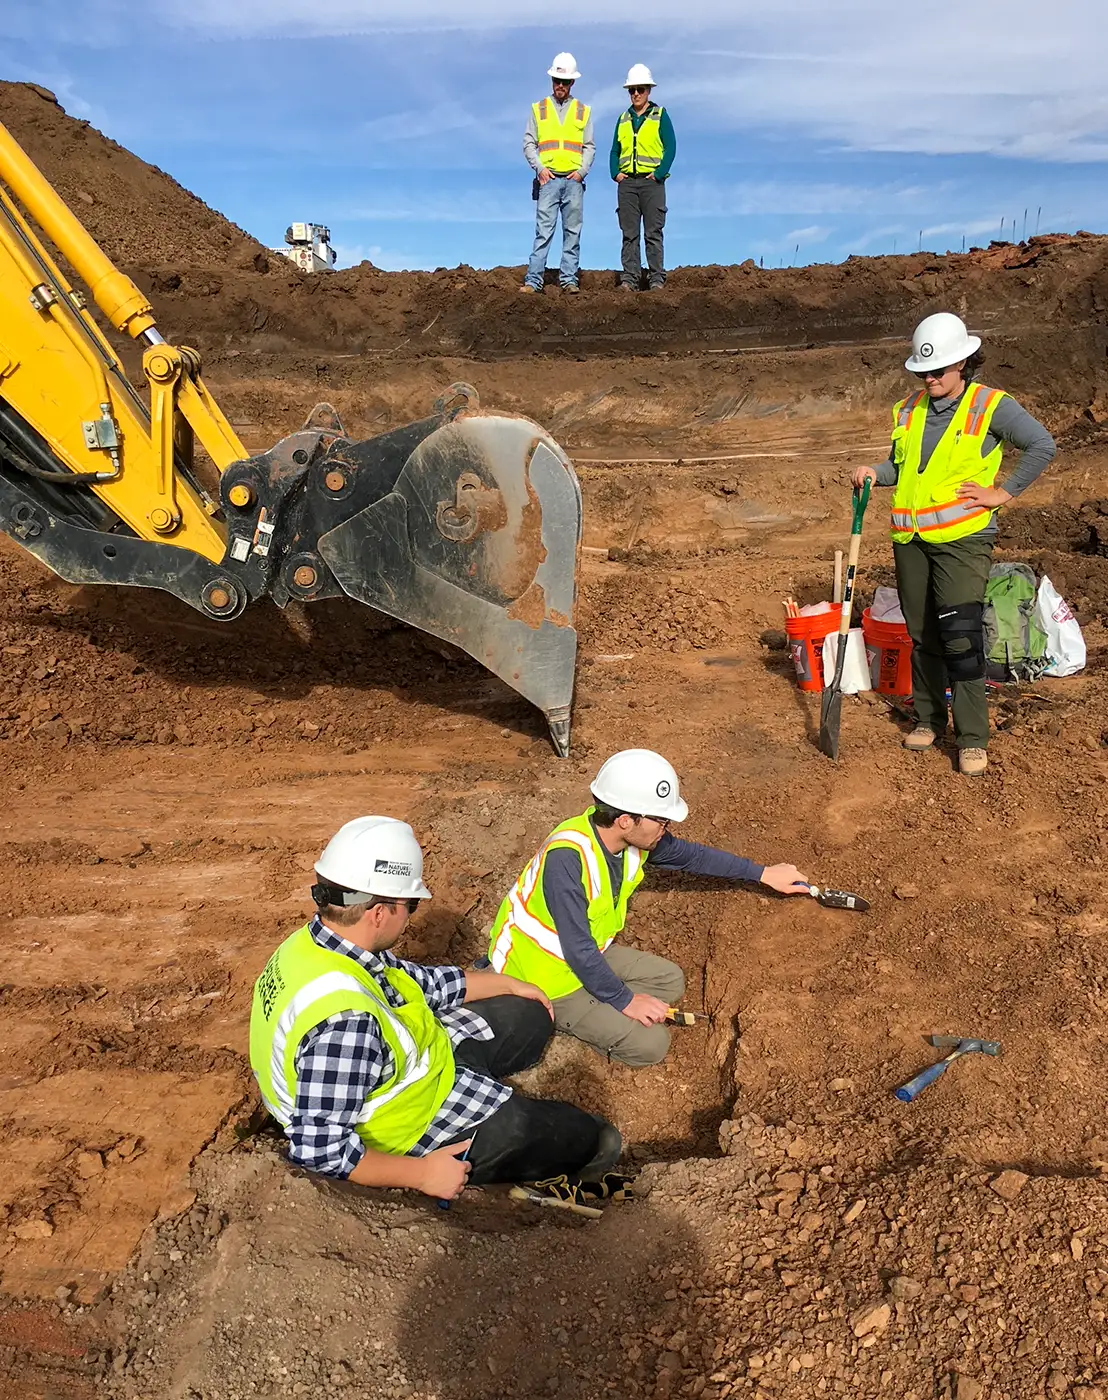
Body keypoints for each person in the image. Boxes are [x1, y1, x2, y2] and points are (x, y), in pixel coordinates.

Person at [249, 816, 621, 1204]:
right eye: (410, 905)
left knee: (527, 1013)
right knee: (584, 1136)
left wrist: (508, 983)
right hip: (408, 1122)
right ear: (379, 912)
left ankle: (485, 1074)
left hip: (418, 1061)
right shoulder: (346, 1024)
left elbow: (417, 982)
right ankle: (514, 1139)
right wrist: (423, 1174)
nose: (411, 916)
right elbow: (319, 1151)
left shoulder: (319, 945)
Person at [485, 750, 809, 1067]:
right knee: (652, 1045)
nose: (666, 827)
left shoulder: (631, 840)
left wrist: (763, 873)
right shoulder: (567, 860)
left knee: (670, 981)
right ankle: (554, 1013)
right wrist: (626, 1001)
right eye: (661, 819)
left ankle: (601, 999)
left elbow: (693, 857)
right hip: (544, 976)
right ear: (626, 820)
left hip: (587, 954)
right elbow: (579, 950)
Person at [852, 312, 1056, 777]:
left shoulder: (991, 406)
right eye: (923, 371)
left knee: (961, 639)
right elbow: (902, 470)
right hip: (911, 538)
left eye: (938, 370)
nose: (929, 378)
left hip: (963, 540)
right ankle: (927, 719)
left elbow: (1041, 445)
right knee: (922, 634)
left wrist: (1002, 493)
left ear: (963, 362)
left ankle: (971, 738)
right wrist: (872, 474)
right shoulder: (908, 410)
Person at [521, 52, 594, 295]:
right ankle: (533, 281)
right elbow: (529, 142)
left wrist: (582, 171)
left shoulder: (583, 111)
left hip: (573, 181)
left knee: (572, 234)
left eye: (565, 82)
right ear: (552, 80)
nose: (560, 85)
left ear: (572, 83)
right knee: (543, 233)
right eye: (556, 80)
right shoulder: (539, 109)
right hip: (549, 180)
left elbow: (589, 146)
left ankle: (569, 280)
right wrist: (540, 169)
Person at [610, 64, 676, 291]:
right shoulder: (623, 118)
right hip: (627, 184)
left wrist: (658, 175)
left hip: (651, 184)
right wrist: (615, 173)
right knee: (629, 235)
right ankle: (630, 279)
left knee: (653, 233)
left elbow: (671, 147)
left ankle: (656, 279)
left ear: (649, 90)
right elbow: (614, 150)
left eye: (640, 89)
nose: (636, 94)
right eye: (632, 90)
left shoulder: (660, 115)